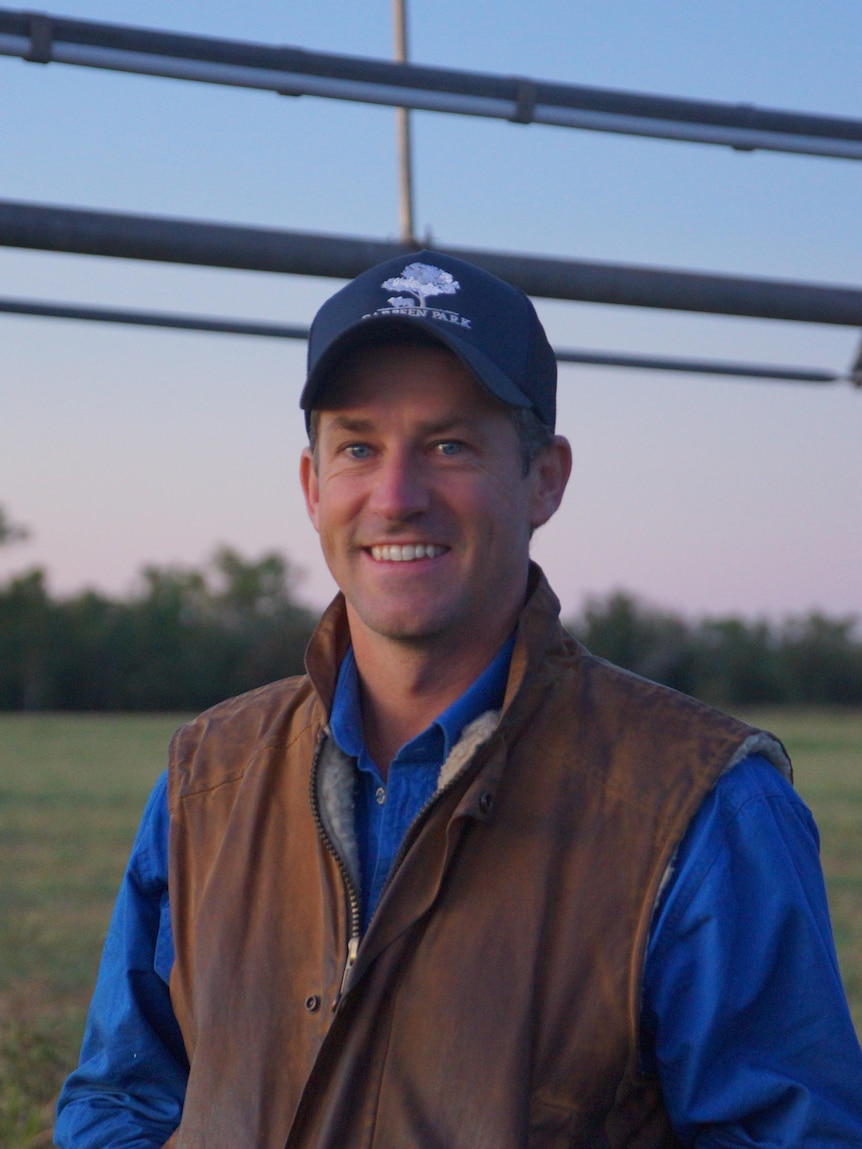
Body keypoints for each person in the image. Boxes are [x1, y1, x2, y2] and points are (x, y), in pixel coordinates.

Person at [55, 251, 862, 1148]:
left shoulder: (703, 806)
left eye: (450, 445)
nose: (396, 498)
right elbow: (120, 1102)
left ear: (545, 479)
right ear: (313, 485)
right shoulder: (208, 778)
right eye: (358, 446)